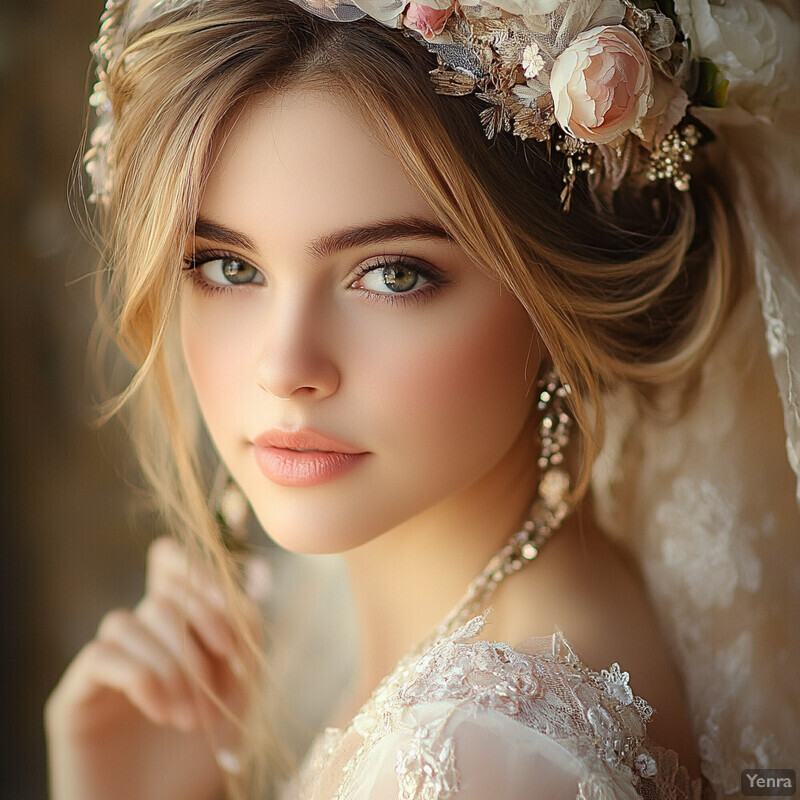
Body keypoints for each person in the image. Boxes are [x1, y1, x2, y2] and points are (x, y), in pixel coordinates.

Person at [45, 0, 800, 798]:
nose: (285, 367)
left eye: (393, 274)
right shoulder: (375, 610)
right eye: (229, 268)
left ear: (553, 297)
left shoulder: (481, 763)